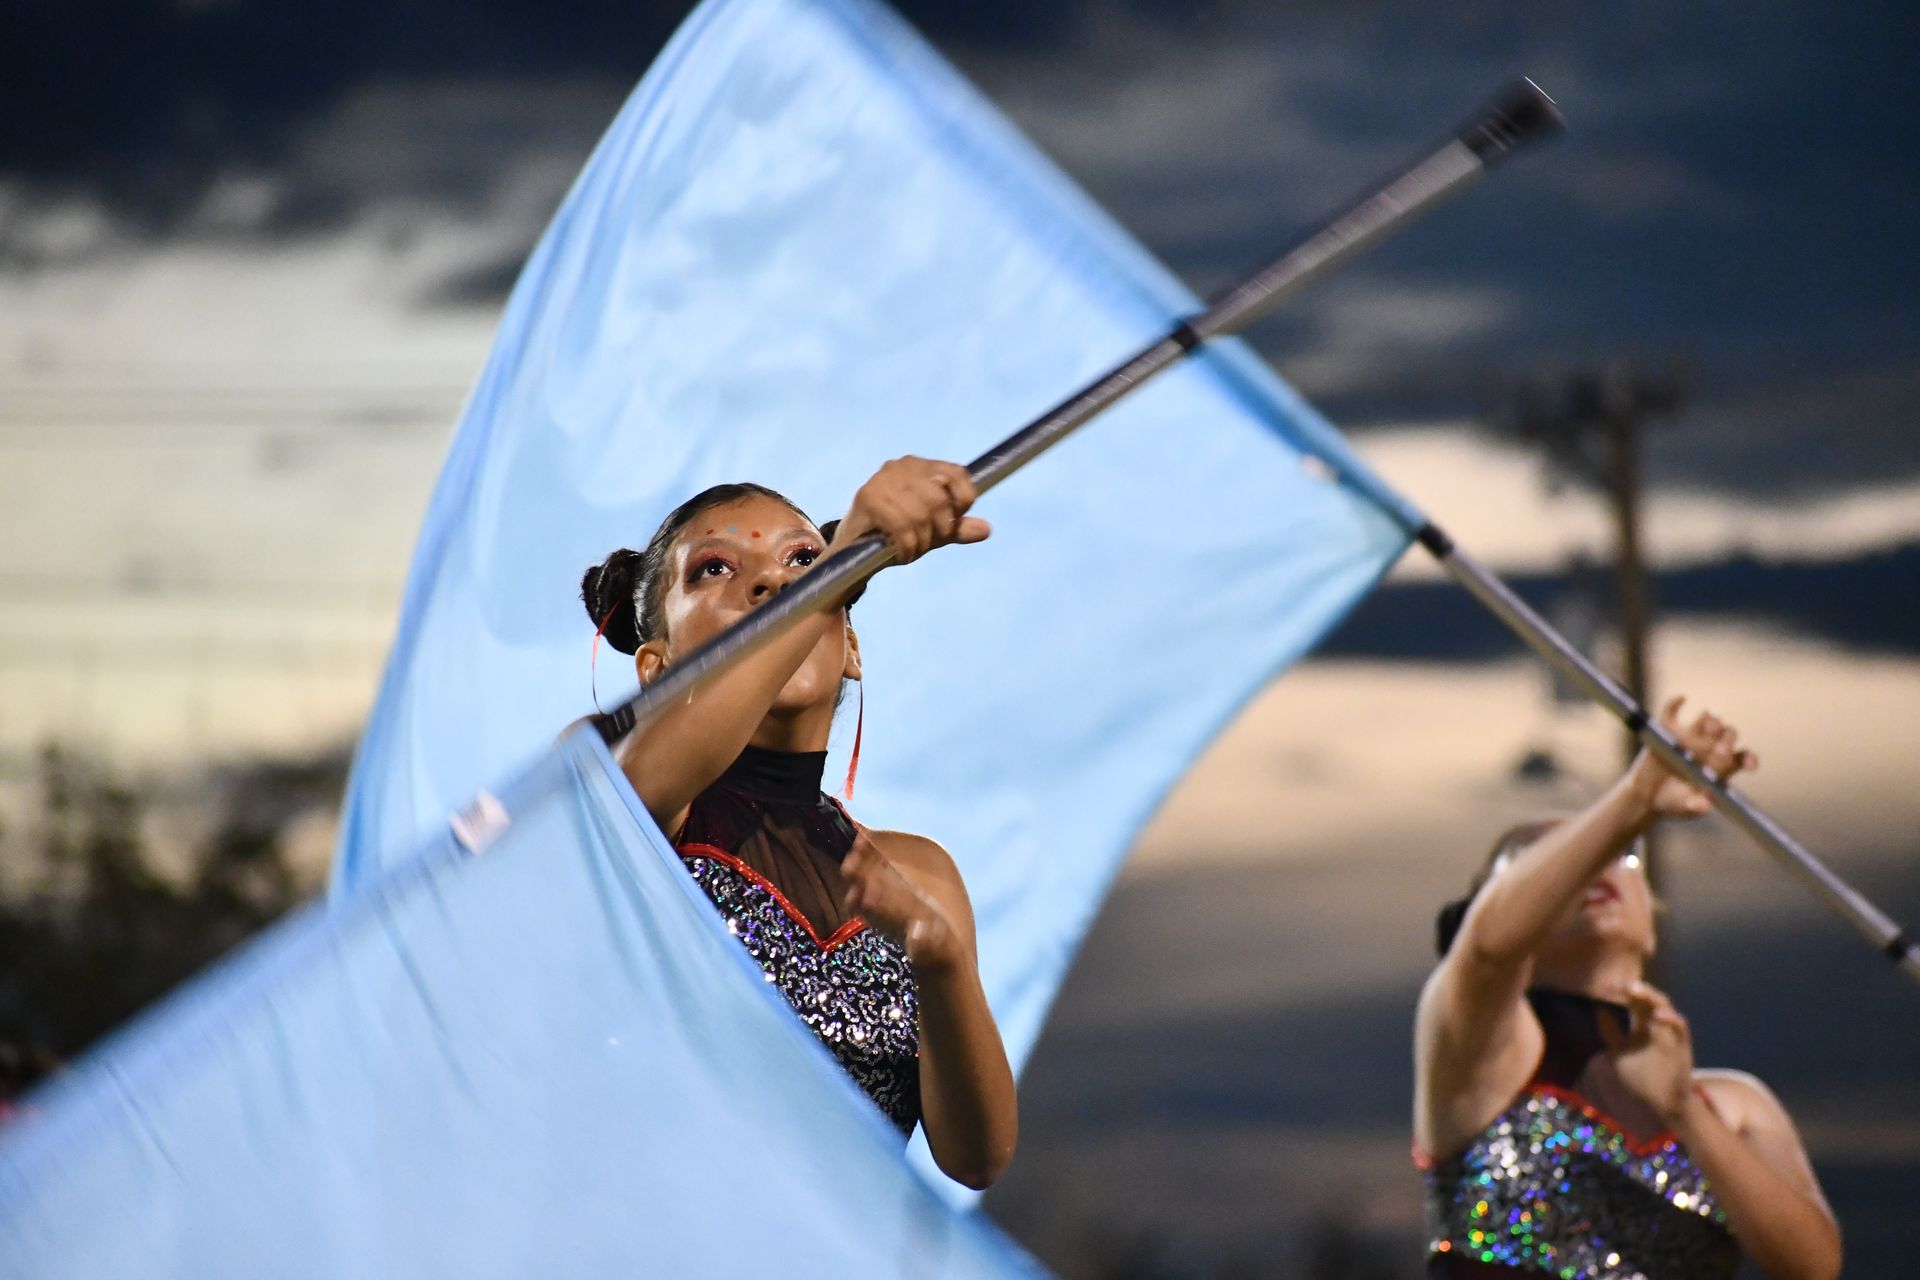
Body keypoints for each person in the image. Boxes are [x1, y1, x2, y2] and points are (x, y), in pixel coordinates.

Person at [579, 457, 1016, 1189]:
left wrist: (941, 964)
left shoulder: (919, 875)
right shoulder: (616, 788)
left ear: (849, 648)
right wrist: (841, 561)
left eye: (803, 562)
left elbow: (977, 1159)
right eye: (715, 569)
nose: (775, 582)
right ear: (654, 670)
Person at [1414, 697, 1841, 1279]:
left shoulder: (1735, 1105)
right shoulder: (1480, 1050)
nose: (1598, 867)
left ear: (1651, 918)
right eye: (1542, 861)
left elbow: (1811, 1267)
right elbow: (1490, 950)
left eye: (1622, 857)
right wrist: (1638, 796)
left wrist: (1683, 1111)